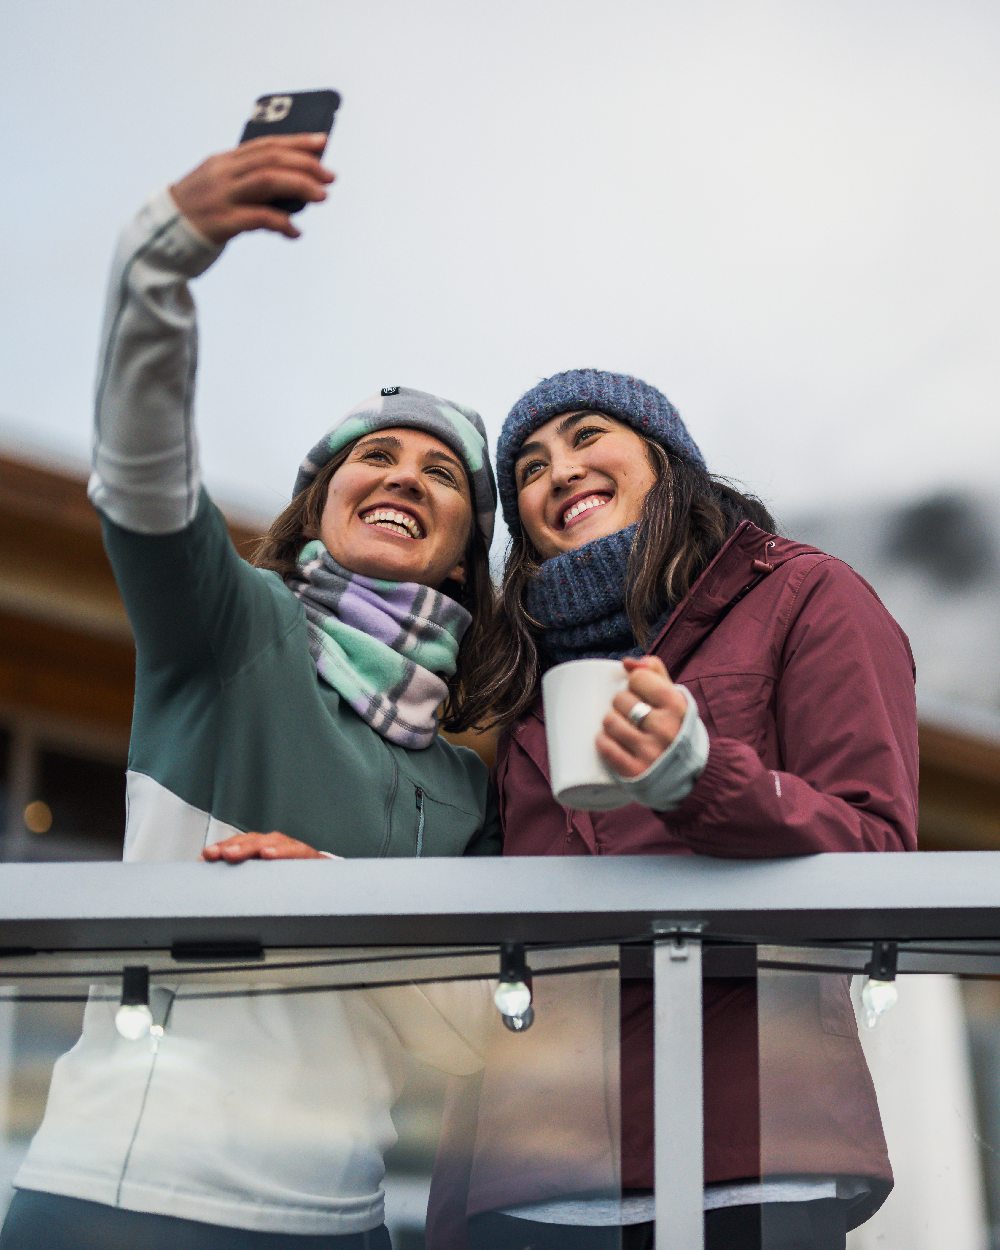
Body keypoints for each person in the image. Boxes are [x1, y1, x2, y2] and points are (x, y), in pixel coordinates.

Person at [0, 136, 500, 1250]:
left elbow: (466, 1038)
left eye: (441, 472)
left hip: (347, 1219)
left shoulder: (464, 784)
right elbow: (142, 477)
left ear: (466, 554)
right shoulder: (232, 630)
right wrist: (160, 260)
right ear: (319, 501)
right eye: (373, 456)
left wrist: (337, 893)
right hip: (125, 1200)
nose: (403, 476)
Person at [427, 368, 919, 1250]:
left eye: (586, 438)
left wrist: (697, 777)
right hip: (535, 1172)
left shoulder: (804, 597)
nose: (558, 473)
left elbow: (876, 849)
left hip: (749, 1146)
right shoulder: (521, 677)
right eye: (530, 468)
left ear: (664, 458)